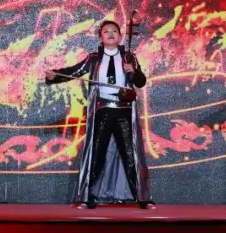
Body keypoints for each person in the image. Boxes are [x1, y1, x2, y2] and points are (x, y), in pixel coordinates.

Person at [45, 20, 154, 209]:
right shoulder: (93, 58)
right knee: (96, 154)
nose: (110, 34)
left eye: (114, 31)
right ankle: (88, 198)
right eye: (106, 31)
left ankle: (143, 198)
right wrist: (56, 75)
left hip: (124, 111)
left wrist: (134, 71)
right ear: (100, 37)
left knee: (131, 155)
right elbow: (75, 71)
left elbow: (141, 82)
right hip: (102, 111)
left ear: (120, 36)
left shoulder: (129, 57)